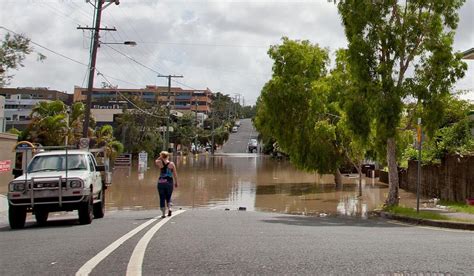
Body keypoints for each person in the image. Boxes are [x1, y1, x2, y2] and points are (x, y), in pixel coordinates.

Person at [155, 151, 178, 218]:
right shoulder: (172, 164)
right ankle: (170, 208)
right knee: (169, 196)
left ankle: (163, 214)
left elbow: (156, 160)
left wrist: (161, 157)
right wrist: (176, 182)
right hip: (169, 182)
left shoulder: (159, 162)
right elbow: (175, 174)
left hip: (161, 182)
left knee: (162, 197)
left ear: (162, 156)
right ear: (168, 156)